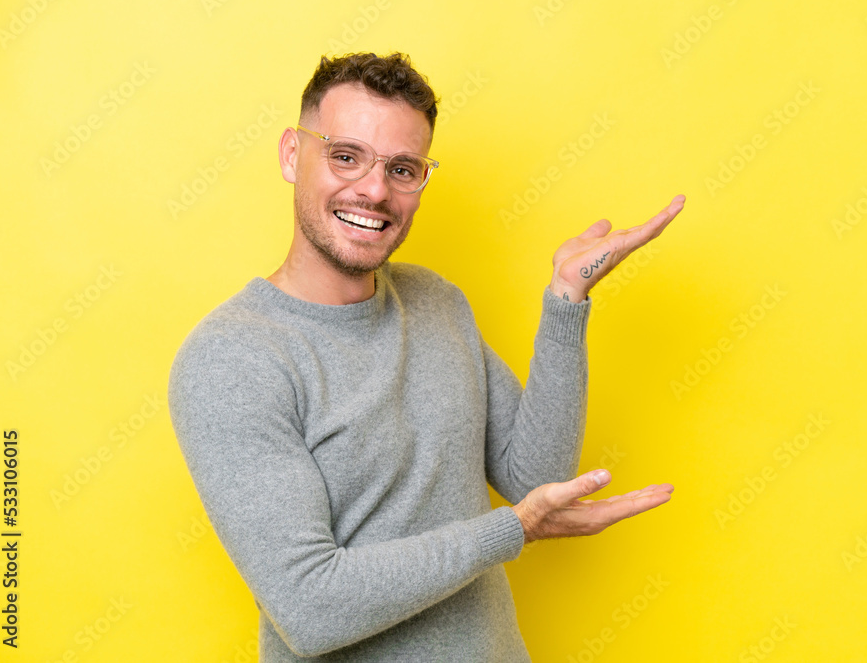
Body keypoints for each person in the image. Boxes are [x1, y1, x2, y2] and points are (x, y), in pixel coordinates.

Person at [167, 51, 686, 661]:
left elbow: (535, 485)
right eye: (345, 155)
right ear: (291, 154)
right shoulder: (232, 359)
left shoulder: (436, 301)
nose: (374, 189)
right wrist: (511, 529)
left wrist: (566, 301)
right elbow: (310, 607)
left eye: (403, 168)